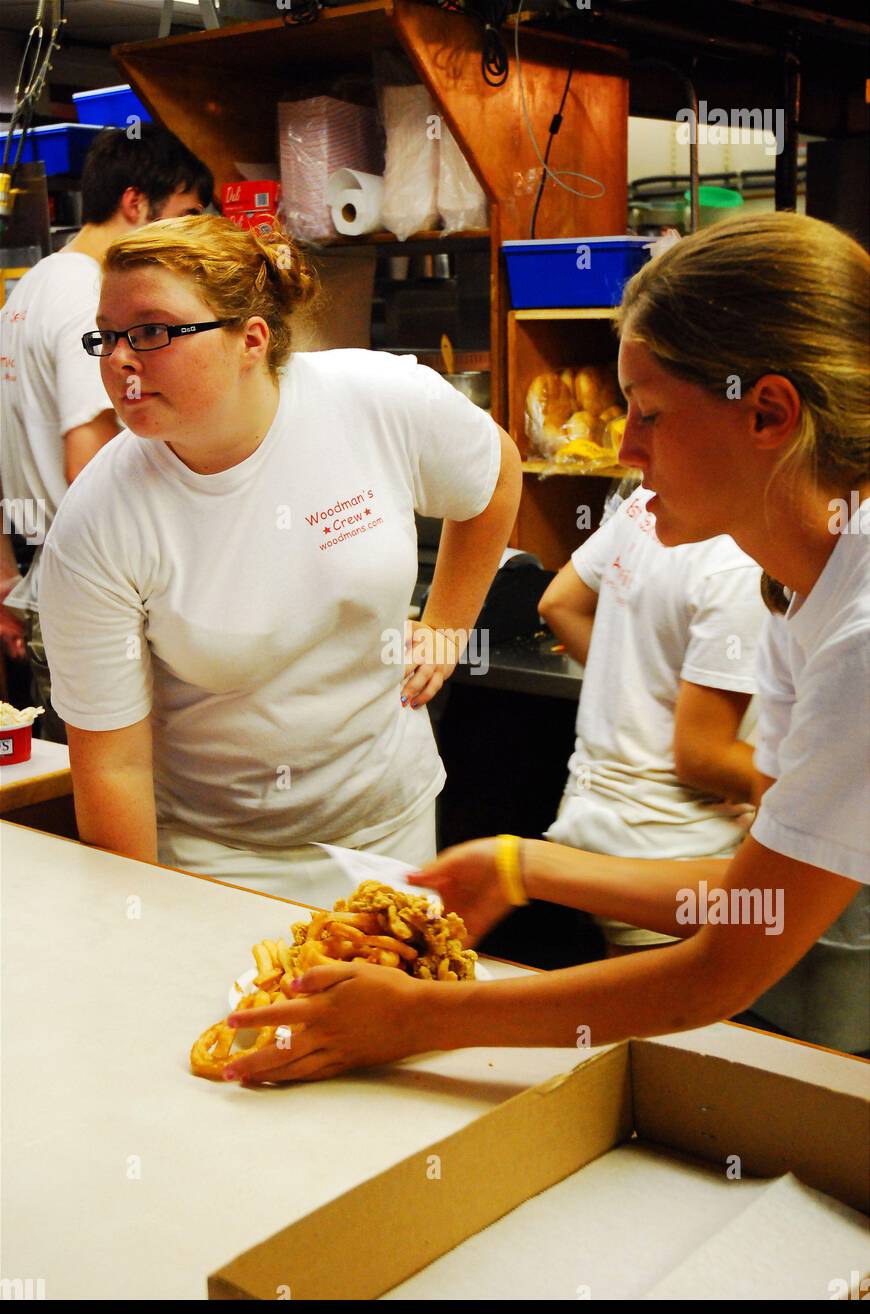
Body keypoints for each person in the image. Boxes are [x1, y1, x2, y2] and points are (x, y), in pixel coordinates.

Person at [220, 212, 869, 1082]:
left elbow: (721, 968)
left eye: (649, 413)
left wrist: (421, 1019)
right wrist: (523, 866)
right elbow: (748, 891)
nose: (626, 449)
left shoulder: (858, 637)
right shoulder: (797, 584)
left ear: (769, 412)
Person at [38, 214, 522, 905]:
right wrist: (135, 919)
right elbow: (113, 766)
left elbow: (496, 475)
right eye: (107, 335)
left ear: (251, 339)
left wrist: (446, 624)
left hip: (386, 833)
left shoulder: (374, 401)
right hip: (216, 858)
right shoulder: (99, 522)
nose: (120, 359)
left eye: (150, 330)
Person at [0, 125, 212, 739]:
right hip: (101, 598)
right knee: (112, 805)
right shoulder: (92, 298)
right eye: (185, 215)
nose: (189, 236)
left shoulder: (32, 285)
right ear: (134, 203)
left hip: (49, 580)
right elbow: (87, 467)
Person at [538, 481, 765, 956]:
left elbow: (559, 602)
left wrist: (638, 692)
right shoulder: (742, 562)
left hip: (594, 820)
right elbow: (702, 757)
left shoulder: (648, 504)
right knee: (671, 1024)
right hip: (673, 851)